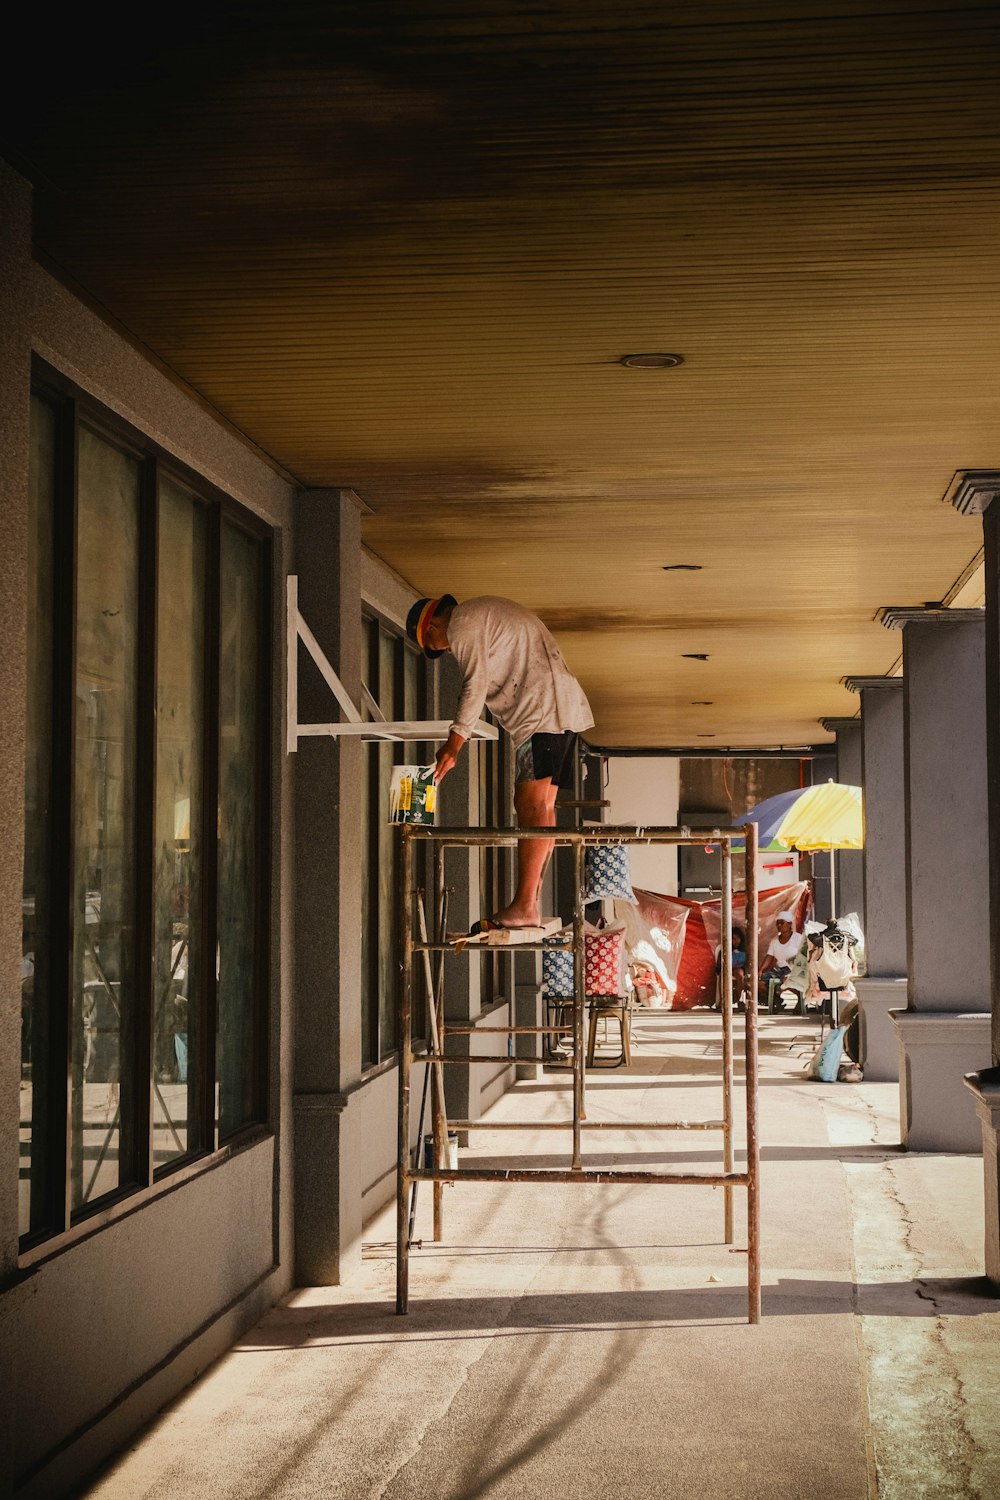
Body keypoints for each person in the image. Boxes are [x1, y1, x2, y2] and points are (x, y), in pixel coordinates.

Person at [406, 592, 594, 928]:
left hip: (542, 712)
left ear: (432, 624)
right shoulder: (484, 615)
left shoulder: (463, 622)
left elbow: (474, 685)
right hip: (558, 708)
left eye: (435, 644)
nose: (445, 650)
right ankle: (530, 902)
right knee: (543, 807)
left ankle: (525, 904)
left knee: (531, 805)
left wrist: (454, 743)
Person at [758, 908, 804, 1008]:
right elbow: (769, 956)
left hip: (794, 968)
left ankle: (801, 999)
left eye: (782, 923)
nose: (779, 925)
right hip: (779, 969)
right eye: (777, 923)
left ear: (789, 924)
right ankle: (777, 1001)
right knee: (758, 982)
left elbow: (804, 956)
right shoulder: (774, 941)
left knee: (787, 980)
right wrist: (761, 970)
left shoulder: (798, 938)